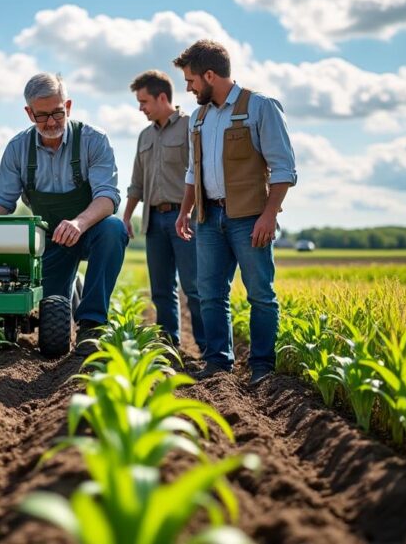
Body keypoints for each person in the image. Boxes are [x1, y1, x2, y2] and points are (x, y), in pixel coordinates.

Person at [172, 40, 298, 384]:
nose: (188, 88)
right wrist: (185, 212)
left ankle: (261, 366)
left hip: (250, 219)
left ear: (210, 75)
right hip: (208, 219)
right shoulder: (198, 118)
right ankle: (217, 362)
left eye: (191, 80)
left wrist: (269, 215)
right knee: (209, 293)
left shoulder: (261, 107)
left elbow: (284, 168)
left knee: (260, 293)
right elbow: (192, 171)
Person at [0, 73, 127, 354]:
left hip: (89, 229)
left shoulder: (93, 140)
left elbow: (108, 197)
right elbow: (2, 201)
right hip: (50, 239)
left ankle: (91, 325)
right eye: (42, 116)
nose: (51, 122)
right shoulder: (17, 148)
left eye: (57, 113)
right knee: (52, 305)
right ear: (29, 113)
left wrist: (79, 222)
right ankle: (70, 286)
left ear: (69, 106)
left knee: (114, 229)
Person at [122, 70, 206, 353]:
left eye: (144, 101)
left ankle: (207, 348)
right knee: (160, 289)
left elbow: (200, 174)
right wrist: (126, 216)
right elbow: (136, 184)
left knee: (194, 287)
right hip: (153, 220)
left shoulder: (189, 127)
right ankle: (170, 345)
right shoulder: (144, 136)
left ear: (162, 97)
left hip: (186, 220)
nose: (140, 108)